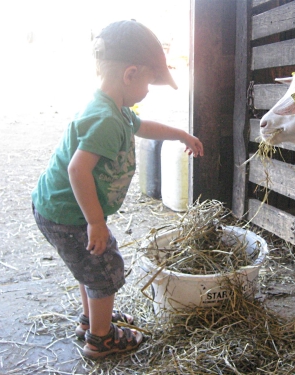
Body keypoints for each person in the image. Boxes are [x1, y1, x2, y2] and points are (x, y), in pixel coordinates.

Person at [31, 20, 204, 359]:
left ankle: (93, 319)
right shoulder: (106, 119)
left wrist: (180, 134)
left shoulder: (116, 110)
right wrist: (96, 222)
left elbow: (142, 126)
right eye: (149, 83)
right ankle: (101, 340)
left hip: (63, 210)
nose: (148, 90)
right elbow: (77, 169)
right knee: (105, 269)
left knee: (89, 266)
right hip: (68, 214)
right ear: (130, 74)